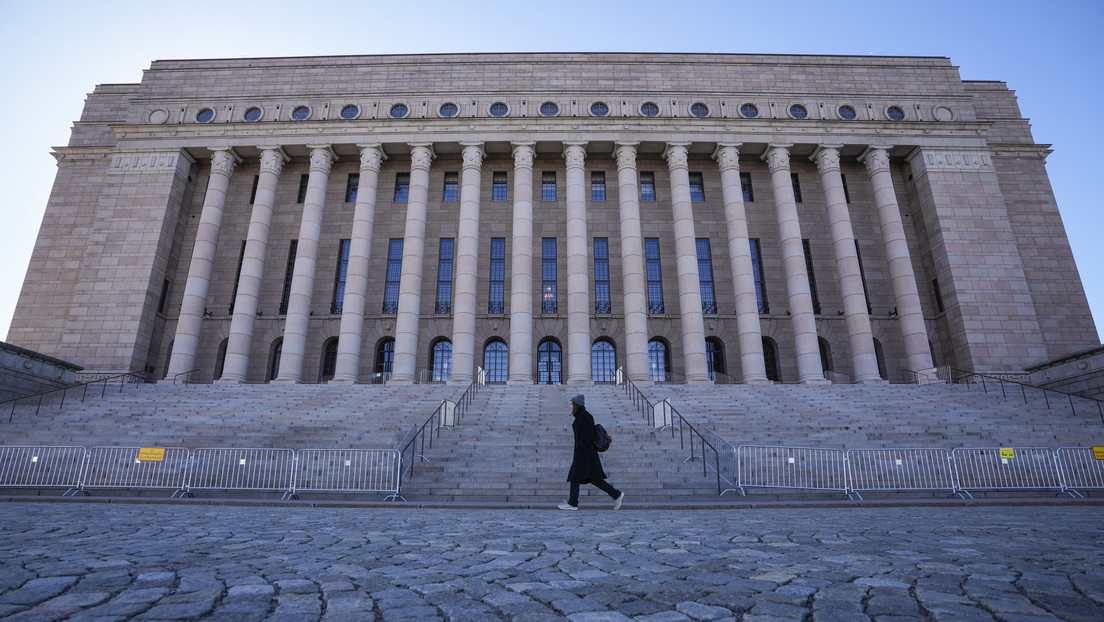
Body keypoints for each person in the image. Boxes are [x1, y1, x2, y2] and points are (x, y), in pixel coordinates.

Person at [559, 394, 624, 510]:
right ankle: (616, 494)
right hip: (583, 453)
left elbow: (588, 436)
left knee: (579, 477)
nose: (570, 406)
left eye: (571, 404)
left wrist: (580, 448)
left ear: (576, 405)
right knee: (592, 479)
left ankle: (573, 503)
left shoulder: (585, 416)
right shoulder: (580, 416)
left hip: (586, 454)